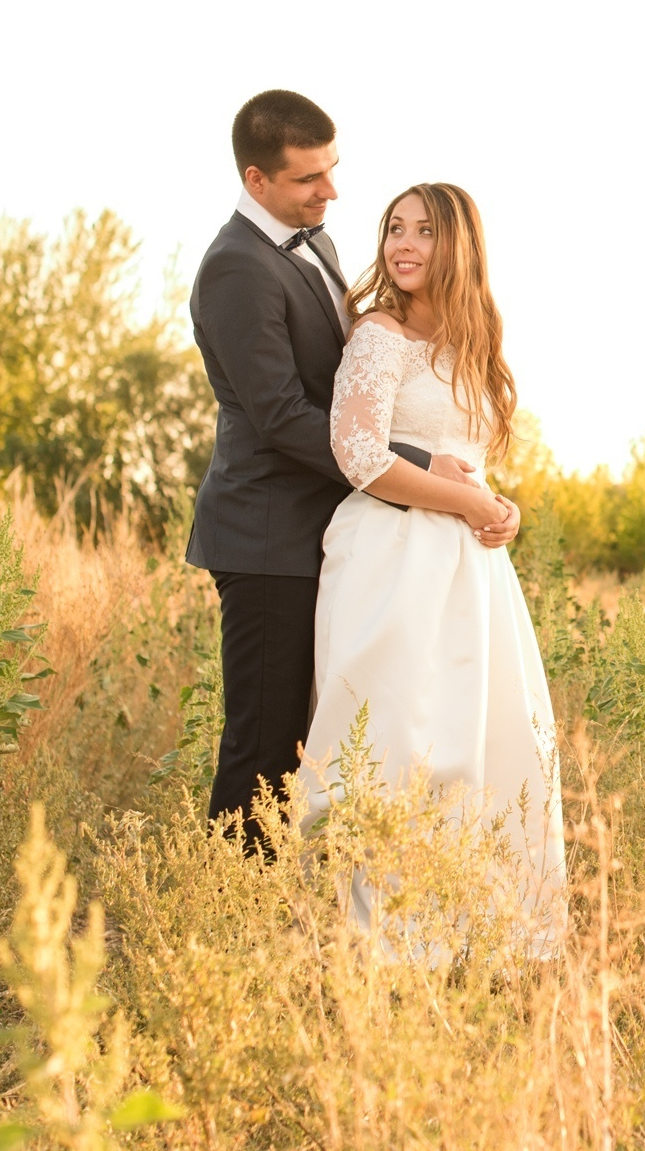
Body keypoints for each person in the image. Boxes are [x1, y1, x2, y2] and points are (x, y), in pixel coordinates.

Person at [185, 91, 517, 843]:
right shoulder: (237, 268)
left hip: (338, 528)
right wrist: (419, 464)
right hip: (266, 534)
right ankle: (231, 915)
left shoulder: (316, 242)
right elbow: (282, 418)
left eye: (332, 171)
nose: (330, 191)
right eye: (309, 179)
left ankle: (296, 912)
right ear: (257, 179)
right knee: (266, 743)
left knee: (333, 733)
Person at [302, 182, 566, 952]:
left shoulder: (476, 343)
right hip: (389, 558)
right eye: (394, 229)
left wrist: (499, 506)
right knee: (391, 736)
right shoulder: (378, 335)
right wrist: (471, 506)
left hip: (470, 573)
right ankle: (371, 943)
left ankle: (475, 931)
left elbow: (468, 465)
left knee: (486, 737)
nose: (403, 245)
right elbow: (358, 456)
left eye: (423, 231)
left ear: (460, 247)